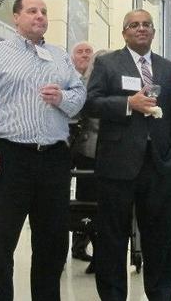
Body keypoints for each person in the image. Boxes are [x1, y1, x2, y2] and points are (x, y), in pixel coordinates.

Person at [0, 0, 86, 301]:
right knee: (0, 244)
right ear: (15, 17)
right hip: (9, 158)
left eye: (44, 12)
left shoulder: (60, 57)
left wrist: (62, 98)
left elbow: (79, 98)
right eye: (32, 11)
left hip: (53, 159)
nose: (40, 16)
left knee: (52, 244)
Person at [85, 9, 171, 301]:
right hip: (116, 165)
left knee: (159, 238)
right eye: (134, 25)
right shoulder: (107, 63)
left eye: (146, 25)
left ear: (153, 32)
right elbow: (91, 103)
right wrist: (128, 103)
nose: (141, 29)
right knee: (113, 239)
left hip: (159, 166)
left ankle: (161, 294)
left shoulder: (168, 69)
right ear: (124, 32)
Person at [68, 41, 96, 267]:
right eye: (80, 51)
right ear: (72, 57)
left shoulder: (98, 80)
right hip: (67, 143)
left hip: (90, 146)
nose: (85, 55)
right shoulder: (67, 79)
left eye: (88, 52)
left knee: (88, 195)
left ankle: (82, 244)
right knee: (61, 195)